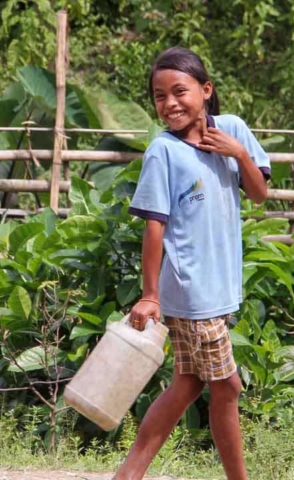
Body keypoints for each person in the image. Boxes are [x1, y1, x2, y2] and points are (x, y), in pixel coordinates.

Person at [114, 47, 270, 480]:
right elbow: (154, 226)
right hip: (191, 288)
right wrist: (149, 294)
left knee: (188, 383)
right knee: (228, 386)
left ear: (205, 90)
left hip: (219, 288)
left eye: (179, 91)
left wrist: (237, 153)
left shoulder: (232, 129)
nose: (170, 104)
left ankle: (130, 473)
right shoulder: (162, 152)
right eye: (159, 96)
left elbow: (259, 194)